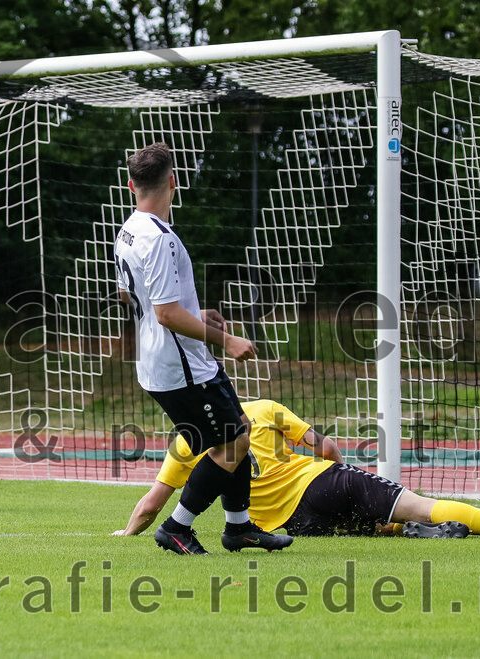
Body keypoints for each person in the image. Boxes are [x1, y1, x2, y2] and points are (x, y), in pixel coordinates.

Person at [113, 142, 292, 555]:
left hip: (172, 360)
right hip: (181, 366)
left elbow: (132, 297)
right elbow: (166, 314)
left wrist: (193, 313)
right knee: (231, 444)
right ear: (173, 182)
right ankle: (177, 527)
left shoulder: (127, 232)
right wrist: (226, 339)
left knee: (239, 431)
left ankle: (239, 528)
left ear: (131, 186)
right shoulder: (159, 238)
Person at [114, 399, 480, 541]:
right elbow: (328, 448)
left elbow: (152, 504)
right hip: (319, 482)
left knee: (365, 526)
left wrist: (125, 534)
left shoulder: (185, 441)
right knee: (420, 504)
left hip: (292, 525)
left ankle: (402, 531)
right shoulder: (264, 408)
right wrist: (345, 477)